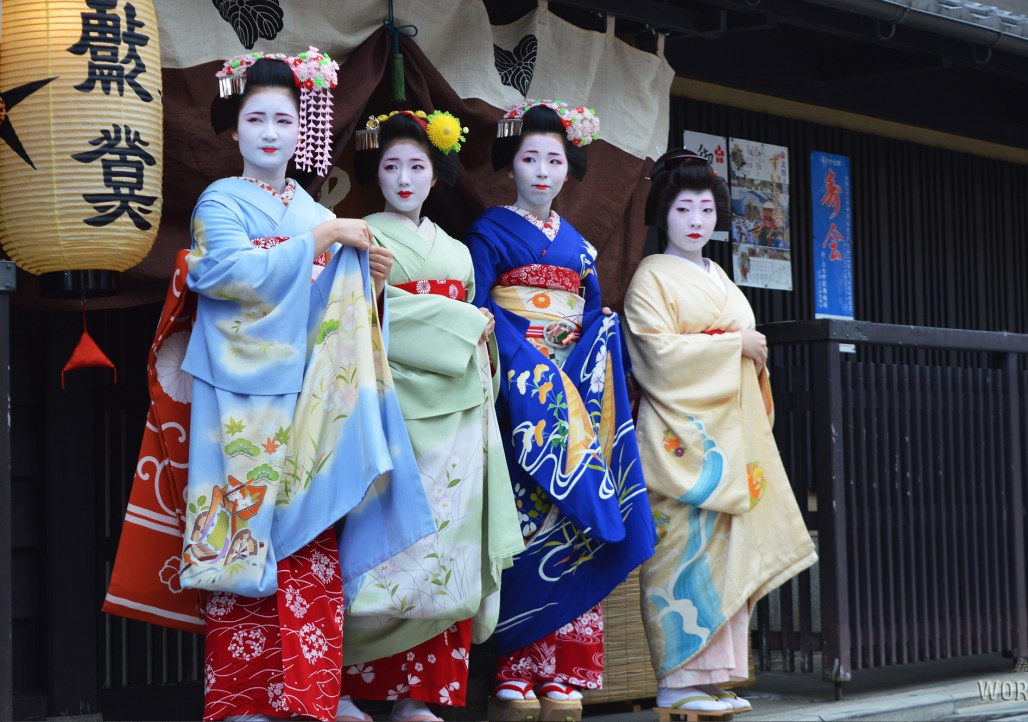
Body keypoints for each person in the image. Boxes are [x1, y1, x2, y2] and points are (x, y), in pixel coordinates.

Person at [105, 51, 436, 722]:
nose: (269, 133)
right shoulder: (220, 201)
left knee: (308, 535)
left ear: (300, 130)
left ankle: (312, 695)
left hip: (306, 397)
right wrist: (321, 240)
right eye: (255, 119)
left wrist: (363, 285)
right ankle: (242, 702)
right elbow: (222, 274)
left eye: (284, 120)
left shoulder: (311, 208)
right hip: (238, 396)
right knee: (240, 536)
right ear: (234, 129)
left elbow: (323, 310)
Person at [463, 100, 655, 722]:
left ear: (569, 167)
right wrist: (529, 367)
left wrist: (599, 333)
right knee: (525, 519)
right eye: (530, 158)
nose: (542, 170)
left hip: (574, 398)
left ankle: (566, 670)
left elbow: (591, 316)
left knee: (575, 520)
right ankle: (516, 669)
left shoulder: (580, 247)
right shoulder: (489, 231)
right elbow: (479, 308)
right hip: (522, 397)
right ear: (509, 165)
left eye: (553, 159)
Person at [335, 110, 523, 722]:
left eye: (417, 166)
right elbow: (352, 312)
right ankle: (346, 688)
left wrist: (478, 332)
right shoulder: (362, 233)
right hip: (392, 399)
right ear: (376, 172)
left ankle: (417, 697)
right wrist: (464, 321)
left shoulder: (458, 250)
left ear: (436, 174)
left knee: (450, 545)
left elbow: (471, 328)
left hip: (459, 410)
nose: (404, 178)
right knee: (384, 542)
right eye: (391, 166)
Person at [623, 149, 818, 716]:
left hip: (731, 438)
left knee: (728, 555)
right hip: (681, 439)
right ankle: (675, 682)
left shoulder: (720, 277)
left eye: (706, 210)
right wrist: (737, 346)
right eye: (684, 208)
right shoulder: (650, 277)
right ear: (663, 213)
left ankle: (714, 676)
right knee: (681, 552)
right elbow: (656, 357)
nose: (696, 220)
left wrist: (748, 354)